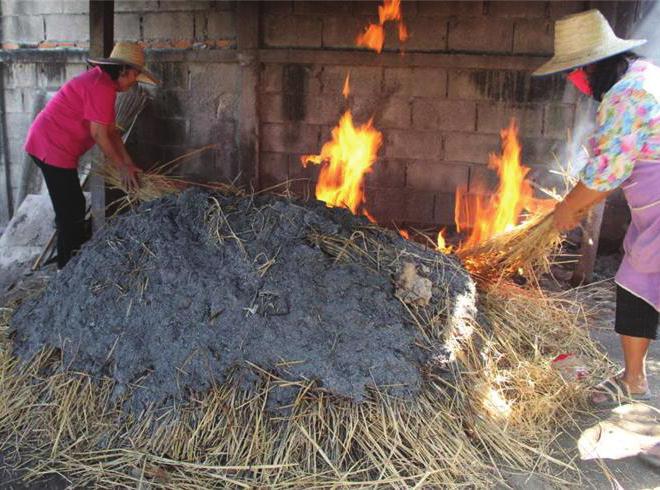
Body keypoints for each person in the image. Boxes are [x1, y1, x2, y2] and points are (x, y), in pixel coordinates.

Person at [533, 9, 659, 405]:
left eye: (576, 73)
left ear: (592, 67)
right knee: (636, 283)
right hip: (650, 213)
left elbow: (608, 171)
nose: (576, 82)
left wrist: (568, 208)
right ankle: (633, 379)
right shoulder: (641, 76)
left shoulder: (631, 94)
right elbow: (611, 157)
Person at [24, 41, 160, 269]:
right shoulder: (101, 87)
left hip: (52, 145)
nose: (135, 81)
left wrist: (129, 164)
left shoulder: (102, 83)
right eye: (135, 75)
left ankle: (67, 262)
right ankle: (66, 271)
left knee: (70, 208)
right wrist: (120, 166)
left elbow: (111, 132)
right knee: (72, 210)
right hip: (51, 146)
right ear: (124, 70)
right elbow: (99, 134)